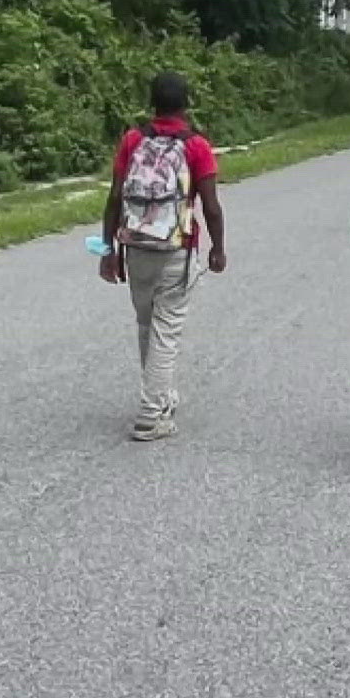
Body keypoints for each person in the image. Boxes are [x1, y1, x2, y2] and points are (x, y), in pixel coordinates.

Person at [100, 73, 227, 442]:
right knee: (166, 328)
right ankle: (152, 413)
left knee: (146, 323)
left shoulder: (133, 139)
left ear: (151, 102)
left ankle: (160, 396)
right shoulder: (196, 146)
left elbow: (114, 198)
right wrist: (217, 248)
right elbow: (212, 207)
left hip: (136, 245)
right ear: (186, 105)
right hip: (176, 247)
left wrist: (109, 250)